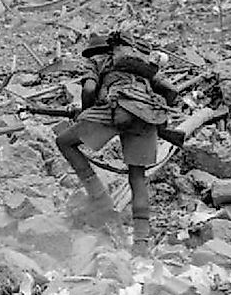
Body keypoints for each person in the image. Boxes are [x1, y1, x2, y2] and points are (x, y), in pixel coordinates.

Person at [55, 31, 180, 256]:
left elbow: (89, 90)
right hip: (148, 114)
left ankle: (100, 199)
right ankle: (141, 244)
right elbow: (172, 91)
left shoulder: (97, 62)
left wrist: (85, 112)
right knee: (137, 176)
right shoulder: (140, 66)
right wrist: (159, 122)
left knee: (64, 142)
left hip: (117, 109)